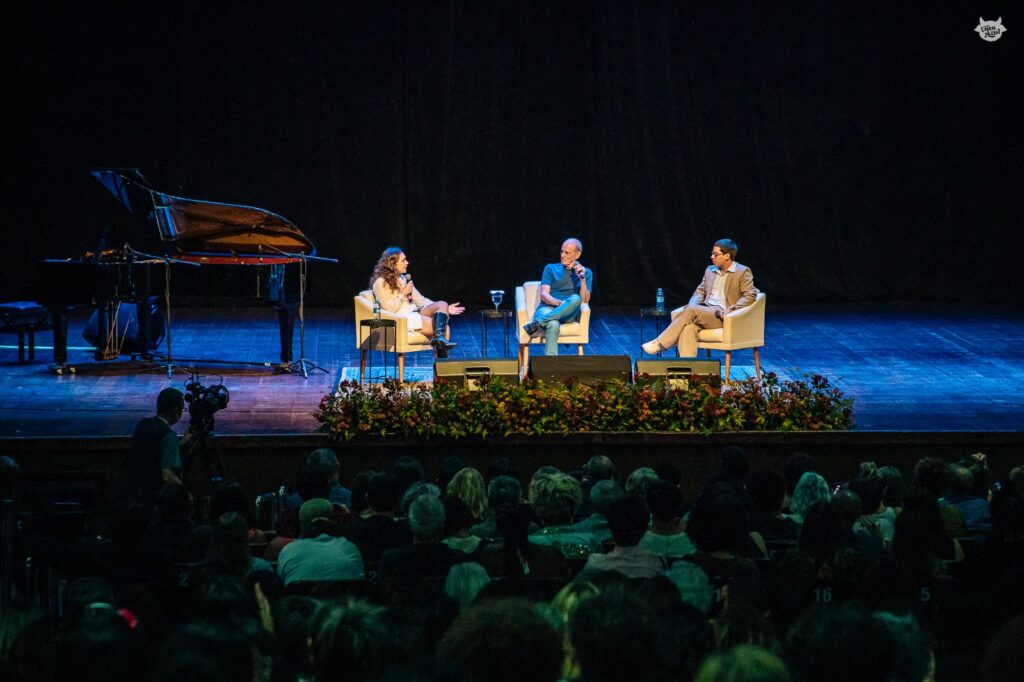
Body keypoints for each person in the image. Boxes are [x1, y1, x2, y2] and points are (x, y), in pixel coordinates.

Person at [642, 238, 758, 357]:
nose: (711, 257)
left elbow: (750, 295)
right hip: (705, 311)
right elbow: (700, 292)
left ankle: (660, 343)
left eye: (715, 254)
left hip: (723, 316)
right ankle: (688, 371)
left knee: (691, 310)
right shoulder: (710, 270)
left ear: (727, 256)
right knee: (688, 328)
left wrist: (731, 309)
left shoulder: (742, 271)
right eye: (712, 253)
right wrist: (693, 305)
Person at [369, 246, 464, 357]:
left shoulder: (402, 279)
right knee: (444, 328)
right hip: (401, 318)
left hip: (414, 312)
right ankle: (440, 364)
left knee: (442, 304)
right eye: (403, 260)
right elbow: (389, 309)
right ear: (392, 263)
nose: (407, 263)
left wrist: (445, 309)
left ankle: (439, 340)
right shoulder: (380, 283)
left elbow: (420, 300)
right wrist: (403, 293)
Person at [522, 237, 593, 356]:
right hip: (547, 308)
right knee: (553, 324)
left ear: (577, 254)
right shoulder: (550, 268)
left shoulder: (586, 273)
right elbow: (544, 295)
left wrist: (582, 279)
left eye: (567, 253)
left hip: (569, 313)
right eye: (561, 251)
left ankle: (538, 323)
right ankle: (550, 367)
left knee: (576, 298)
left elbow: (584, 300)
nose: (562, 255)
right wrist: (561, 304)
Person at [125, 387, 192, 501]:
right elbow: (167, 476)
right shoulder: (168, 435)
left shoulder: (143, 424)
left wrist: (180, 443)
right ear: (176, 410)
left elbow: (154, 450)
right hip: (154, 497)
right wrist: (185, 494)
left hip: (134, 491)